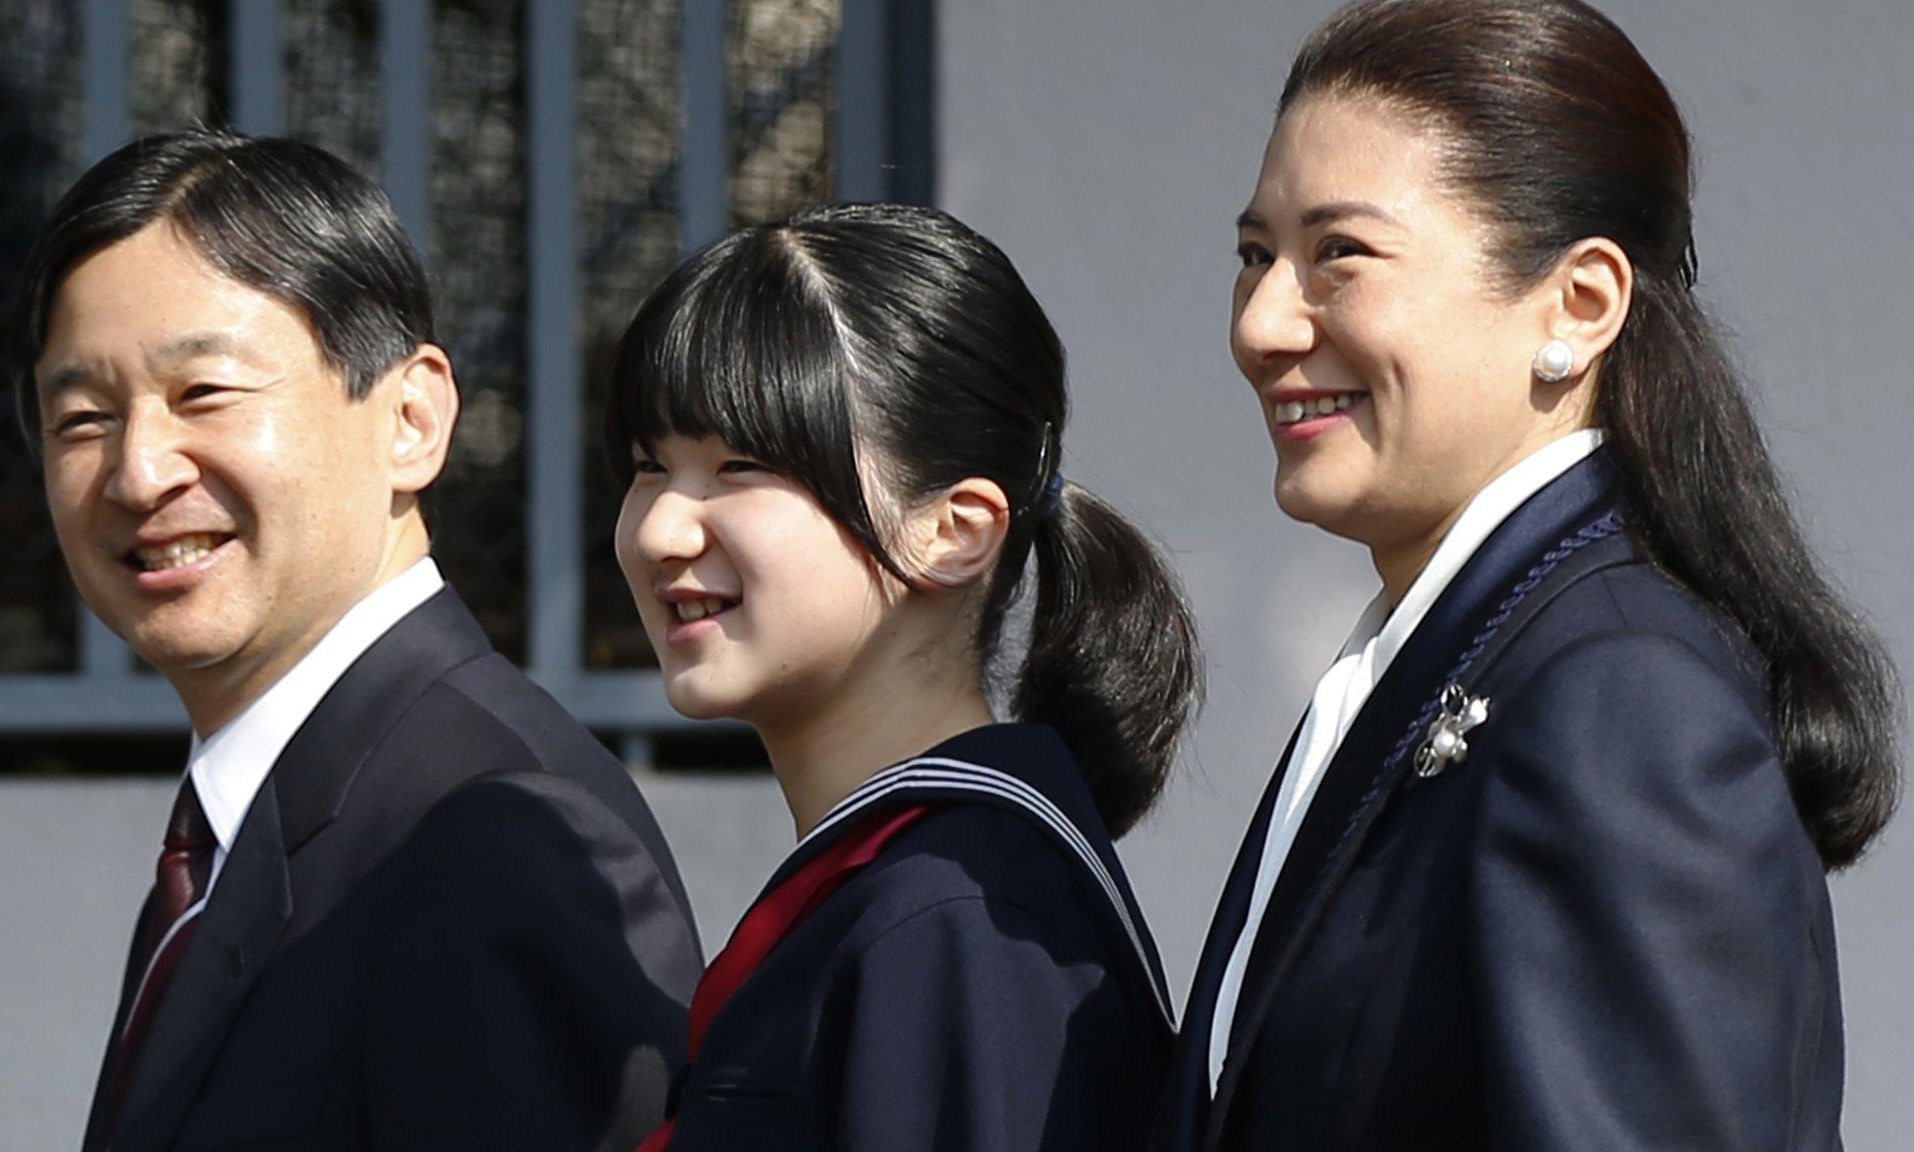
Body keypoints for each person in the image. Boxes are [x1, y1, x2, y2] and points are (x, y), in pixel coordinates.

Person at [1148, 2, 1903, 1149]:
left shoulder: (1615, 700)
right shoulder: (1455, 656)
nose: (1259, 323)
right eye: (1254, 255)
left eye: (1337, 254)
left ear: (1578, 303)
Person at [18, 129, 702, 1152]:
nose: (136, 472)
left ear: (411, 419)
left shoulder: (492, 834)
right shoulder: (251, 825)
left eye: (203, 393)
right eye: (82, 418)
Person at [605, 202, 1201, 1151]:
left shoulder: (959, 921)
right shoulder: (910, 891)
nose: (660, 532)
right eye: (649, 466)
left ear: (955, 531)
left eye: (740, 465)